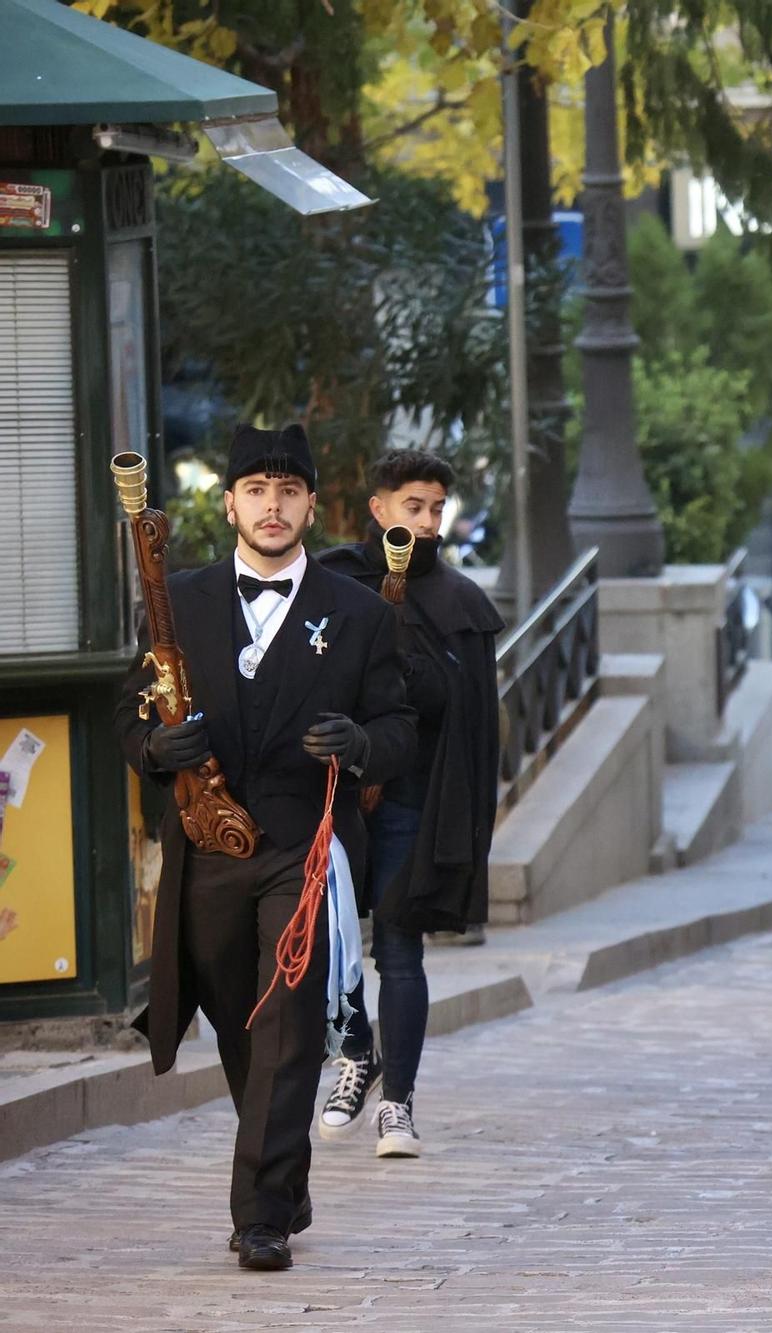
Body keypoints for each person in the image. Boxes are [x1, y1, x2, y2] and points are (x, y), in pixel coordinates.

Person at [117, 424, 415, 1271]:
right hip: (209, 849)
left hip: (306, 847)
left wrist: (358, 741)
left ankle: (262, 1214)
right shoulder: (176, 599)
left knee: (285, 1022)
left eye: (289, 491)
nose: (272, 505)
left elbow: (400, 730)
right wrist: (153, 749)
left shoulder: (358, 613)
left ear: (312, 505)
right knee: (238, 1017)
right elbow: (129, 714)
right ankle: (284, 1172)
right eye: (257, 490)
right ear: (229, 504)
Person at [316, 450, 504, 1158]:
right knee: (328, 946)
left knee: (399, 944)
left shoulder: (461, 605)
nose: (424, 521)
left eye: (435, 508)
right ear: (379, 508)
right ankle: (354, 1056)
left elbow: (466, 717)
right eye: (412, 506)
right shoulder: (333, 581)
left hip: (412, 797)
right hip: (333, 792)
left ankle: (397, 1101)